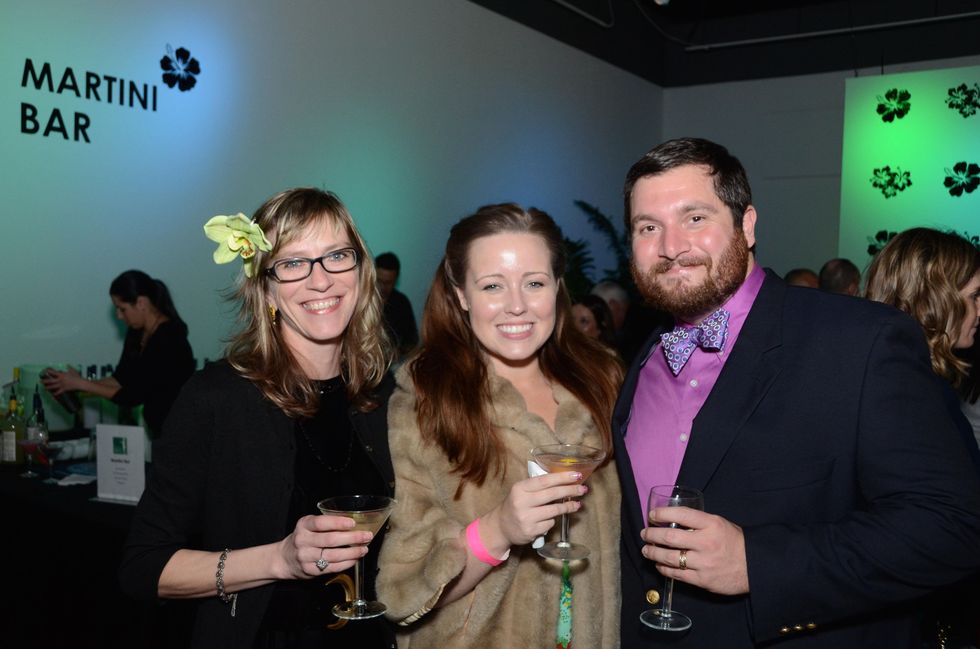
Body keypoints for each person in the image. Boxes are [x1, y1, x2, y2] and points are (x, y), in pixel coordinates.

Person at [613, 137, 980, 649]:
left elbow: (954, 527)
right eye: (648, 227)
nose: (671, 246)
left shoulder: (861, 341)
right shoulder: (644, 358)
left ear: (746, 225)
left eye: (695, 217)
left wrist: (759, 564)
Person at [119, 189, 396, 648]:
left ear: (360, 272)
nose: (321, 280)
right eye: (293, 263)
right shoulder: (216, 398)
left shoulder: (384, 393)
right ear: (265, 287)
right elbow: (144, 568)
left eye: (336, 256)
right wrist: (279, 560)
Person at [376, 203, 624, 648]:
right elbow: (401, 590)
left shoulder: (603, 381)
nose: (517, 306)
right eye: (492, 285)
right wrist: (499, 530)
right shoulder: (425, 401)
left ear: (557, 287)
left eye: (534, 283)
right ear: (461, 295)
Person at [864, 227, 980, 649]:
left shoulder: (914, 381)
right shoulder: (908, 393)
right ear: (938, 298)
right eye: (975, 296)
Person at [41, 270, 194, 438]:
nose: (119, 316)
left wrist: (82, 384)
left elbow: (133, 395)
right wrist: (76, 385)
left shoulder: (170, 339)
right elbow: (120, 379)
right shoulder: (136, 332)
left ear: (141, 303)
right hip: (158, 430)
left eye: (122, 309)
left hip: (180, 432)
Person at [375, 251, 419, 358]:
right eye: (379, 281)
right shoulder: (361, 300)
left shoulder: (402, 303)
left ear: (396, 280)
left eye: (388, 282)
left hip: (395, 362)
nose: (383, 287)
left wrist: (398, 353)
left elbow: (412, 341)